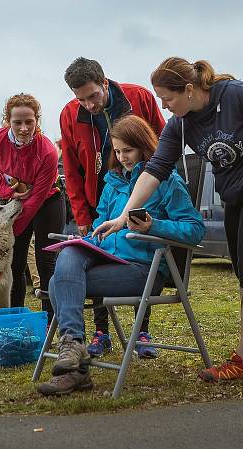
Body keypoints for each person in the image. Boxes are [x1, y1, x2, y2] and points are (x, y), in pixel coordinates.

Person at [94, 57, 243, 383]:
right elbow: (155, 170)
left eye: (168, 98)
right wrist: (122, 216)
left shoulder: (237, 96)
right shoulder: (180, 124)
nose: (164, 106)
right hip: (238, 192)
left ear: (189, 89)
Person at [37, 115, 205, 395]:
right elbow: (102, 224)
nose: (122, 157)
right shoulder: (112, 182)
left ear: (143, 147)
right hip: (107, 259)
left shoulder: (165, 181)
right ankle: (74, 344)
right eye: (117, 151)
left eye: (128, 150)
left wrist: (155, 225)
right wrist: (87, 240)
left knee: (58, 283)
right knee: (70, 252)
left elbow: (195, 229)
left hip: (144, 269)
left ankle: (76, 368)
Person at [59, 57, 167, 354]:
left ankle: (141, 333)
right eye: (81, 99)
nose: (89, 105)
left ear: (104, 83)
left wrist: (163, 191)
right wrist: (81, 214)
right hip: (101, 197)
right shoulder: (69, 115)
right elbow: (71, 169)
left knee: (138, 248)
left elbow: (164, 141)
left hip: (144, 193)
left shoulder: (139, 97)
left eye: (93, 96)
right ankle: (100, 332)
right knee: (96, 251)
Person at [0, 93, 66, 316]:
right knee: (14, 263)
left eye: (30, 122)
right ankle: (13, 319)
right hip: (14, 199)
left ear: (37, 120)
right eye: (17, 122)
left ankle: (49, 321)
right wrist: (5, 190)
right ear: (8, 120)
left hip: (47, 199)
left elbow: (36, 199)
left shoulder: (46, 150)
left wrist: (10, 230)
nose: (24, 128)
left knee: (46, 261)